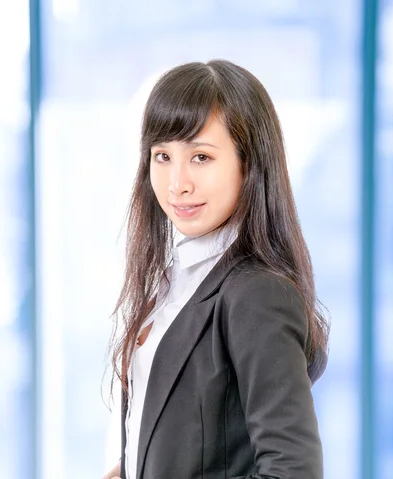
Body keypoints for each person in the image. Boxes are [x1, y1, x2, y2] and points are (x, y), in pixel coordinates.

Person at [102, 59, 329, 479]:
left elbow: (293, 471)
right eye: (163, 155)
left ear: (249, 163)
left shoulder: (257, 292)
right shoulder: (177, 278)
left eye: (201, 157)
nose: (177, 183)